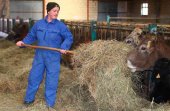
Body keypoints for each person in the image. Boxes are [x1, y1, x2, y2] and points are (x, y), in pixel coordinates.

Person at [16, 2, 73, 108]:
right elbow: (31, 36)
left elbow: (69, 37)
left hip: (53, 56)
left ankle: (49, 105)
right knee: (34, 77)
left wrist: (64, 47)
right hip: (40, 55)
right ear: (48, 11)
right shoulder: (39, 24)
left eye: (58, 11)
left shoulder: (60, 26)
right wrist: (23, 43)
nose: (56, 13)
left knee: (52, 80)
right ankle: (28, 100)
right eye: (54, 11)